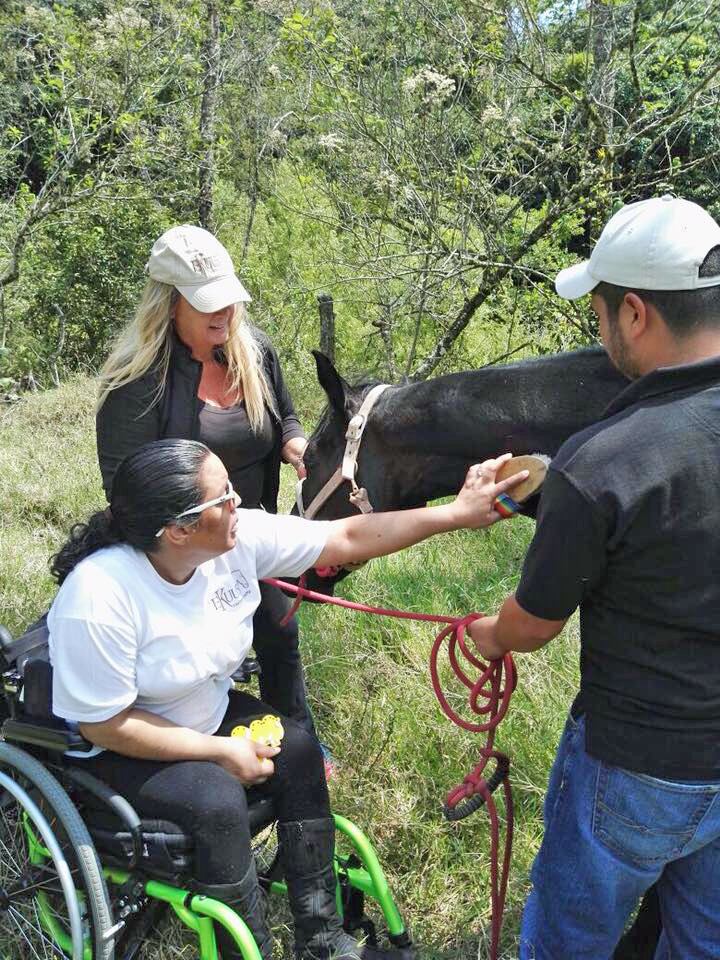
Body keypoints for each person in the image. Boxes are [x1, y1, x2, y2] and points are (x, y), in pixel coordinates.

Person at [48, 438, 528, 960]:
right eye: (223, 497)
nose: (238, 502)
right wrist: (218, 752)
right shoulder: (99, 596)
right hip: (121, 747)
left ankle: (322, 940)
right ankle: (241, 950)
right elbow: (104, 725)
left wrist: (455, 514)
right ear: (179, 530)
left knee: (298, 751)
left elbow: (345, 535)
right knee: (216, 801)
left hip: (203, 711)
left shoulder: (234, 540)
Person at [470, 196, 720, 960]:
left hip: (636, 763)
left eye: (601, 311)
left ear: (634, 313)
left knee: (569, 940)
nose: (601, 328)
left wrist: (486, 633)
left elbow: (534, 625)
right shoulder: (599, 467)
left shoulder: (605, 460)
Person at [95, 224, 318, 750]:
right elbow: (126, 490)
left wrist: (295, 446)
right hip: (182, 547)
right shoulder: (136, 384)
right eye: (207, 303)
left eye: (229, 299)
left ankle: (299, 741)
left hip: (248, 530)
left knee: (279, 631)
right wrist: (190, 543)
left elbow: (285, 418)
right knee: (193, 657)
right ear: (169, 303)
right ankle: (191, 741)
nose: (225, 313)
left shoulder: (252, 352)